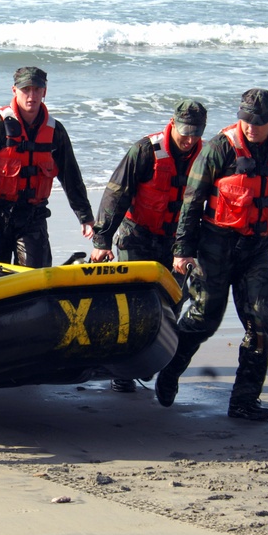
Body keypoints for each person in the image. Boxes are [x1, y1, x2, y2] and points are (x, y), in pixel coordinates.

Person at [155, 89, 268, 421]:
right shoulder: (220, 149)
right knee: (203, 321)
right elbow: (191, 202)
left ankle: (244, 402)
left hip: (255, 250)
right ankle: (170, 370)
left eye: (259, 122)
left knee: (259, 325)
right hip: (214, 247)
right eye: (246, 119)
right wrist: (182, 251)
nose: (251, 127)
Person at [89, 99, 208, 393]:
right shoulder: (146, 150)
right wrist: (102, 240)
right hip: (137, 235)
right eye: (185, 132)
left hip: (178, 243)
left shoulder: (208, 156)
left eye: (196, 133)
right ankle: (123, 372)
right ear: (172, 123)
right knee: (134, 305)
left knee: (172, 304)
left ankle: (153, 360)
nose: (189, 139)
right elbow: (116, 193)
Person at [0, 66, 94, 267]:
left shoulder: (55, 131)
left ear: (44, 91)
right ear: (15, 91)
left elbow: (71, 176)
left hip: (33, 214)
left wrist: (85, 216)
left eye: (37, 89)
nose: (31, 95)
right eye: (25, 89)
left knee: (36, 276)